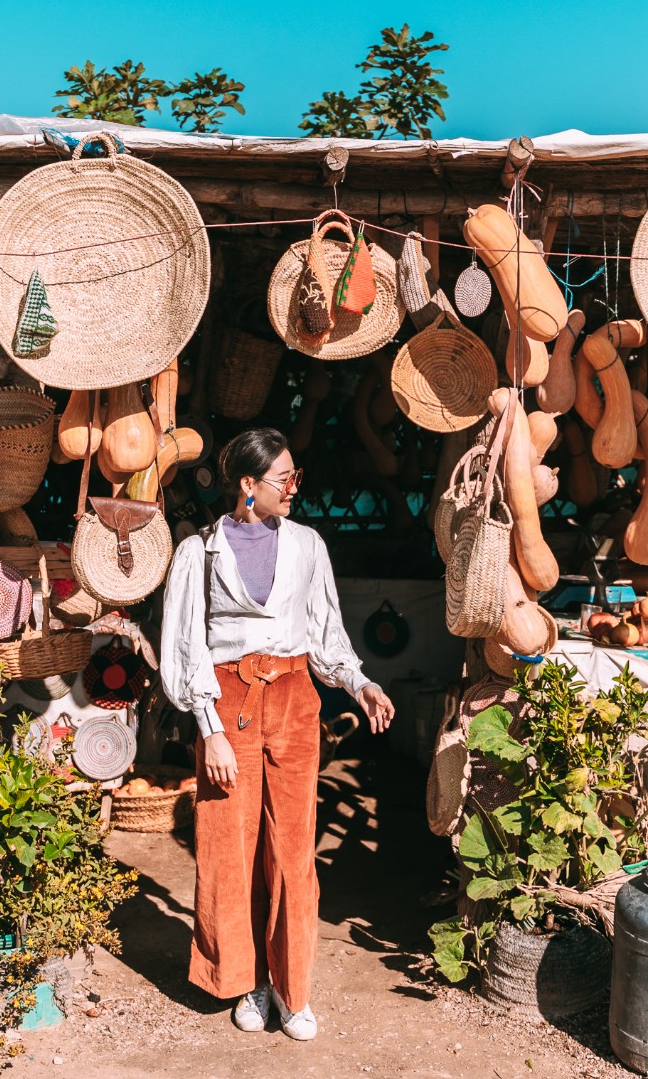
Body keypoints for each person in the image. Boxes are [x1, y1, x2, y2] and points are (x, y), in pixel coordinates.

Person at [159, 427, 395, 1042]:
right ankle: (246, 981)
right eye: (283, 479)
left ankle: (292, 991)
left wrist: (359, 683)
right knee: (227, 846)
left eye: (295, 476)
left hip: (292, 699)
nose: (294, 488)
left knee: (292, 848)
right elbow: (185, 649)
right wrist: (207, 729)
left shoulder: (308, 546)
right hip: (227, 702)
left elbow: (326, 632)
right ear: (247, 485)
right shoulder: (199, 553)